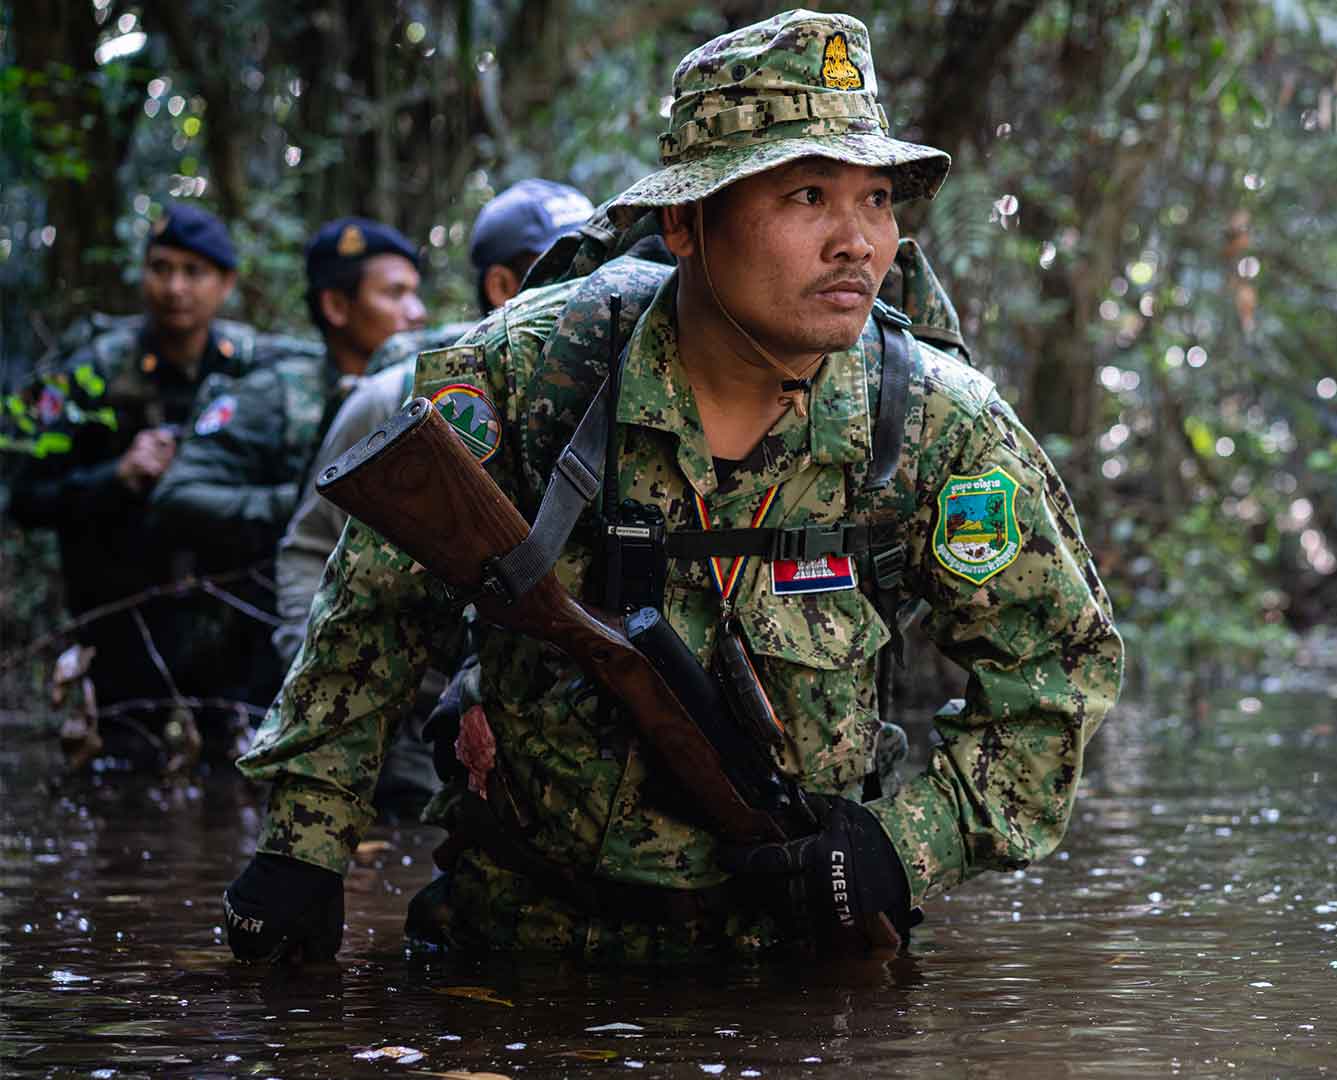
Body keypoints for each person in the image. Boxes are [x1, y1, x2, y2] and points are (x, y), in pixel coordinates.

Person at [222, 10, 1122, 967]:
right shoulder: (529, 376)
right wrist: (303, 853)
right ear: (686, 223)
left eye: (877, 200)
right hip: (516, 950)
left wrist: (901, 852)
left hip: (793, 967)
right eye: (809, 195)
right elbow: (374, 616)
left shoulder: (938, 422)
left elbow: (1060, 669)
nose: (859, 242)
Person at [266, 181, 598, 819]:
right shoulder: (401, 395)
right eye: (567, 264)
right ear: (503, 286)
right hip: (415, 715)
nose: (592, 284)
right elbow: (312, 550)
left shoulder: (621, 388)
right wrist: (341, 715)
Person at [8, 203, 322, 767]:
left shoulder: (262, 369)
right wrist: (116, 477)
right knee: (122, 770)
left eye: (193, 271)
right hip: (123, 616)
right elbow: (27, 497)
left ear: (225, 283)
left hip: (231, 621)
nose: (175, 287)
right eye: (161, 267)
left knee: (238, 770)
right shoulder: (91, 372)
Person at [147, 218, 426, 711]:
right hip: (265, 649)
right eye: (395, 294)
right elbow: (176, 495)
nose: (416, 313)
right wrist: (297, 503)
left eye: (415, 294)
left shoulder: (413, 393)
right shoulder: (274, 396)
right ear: (337, 306)